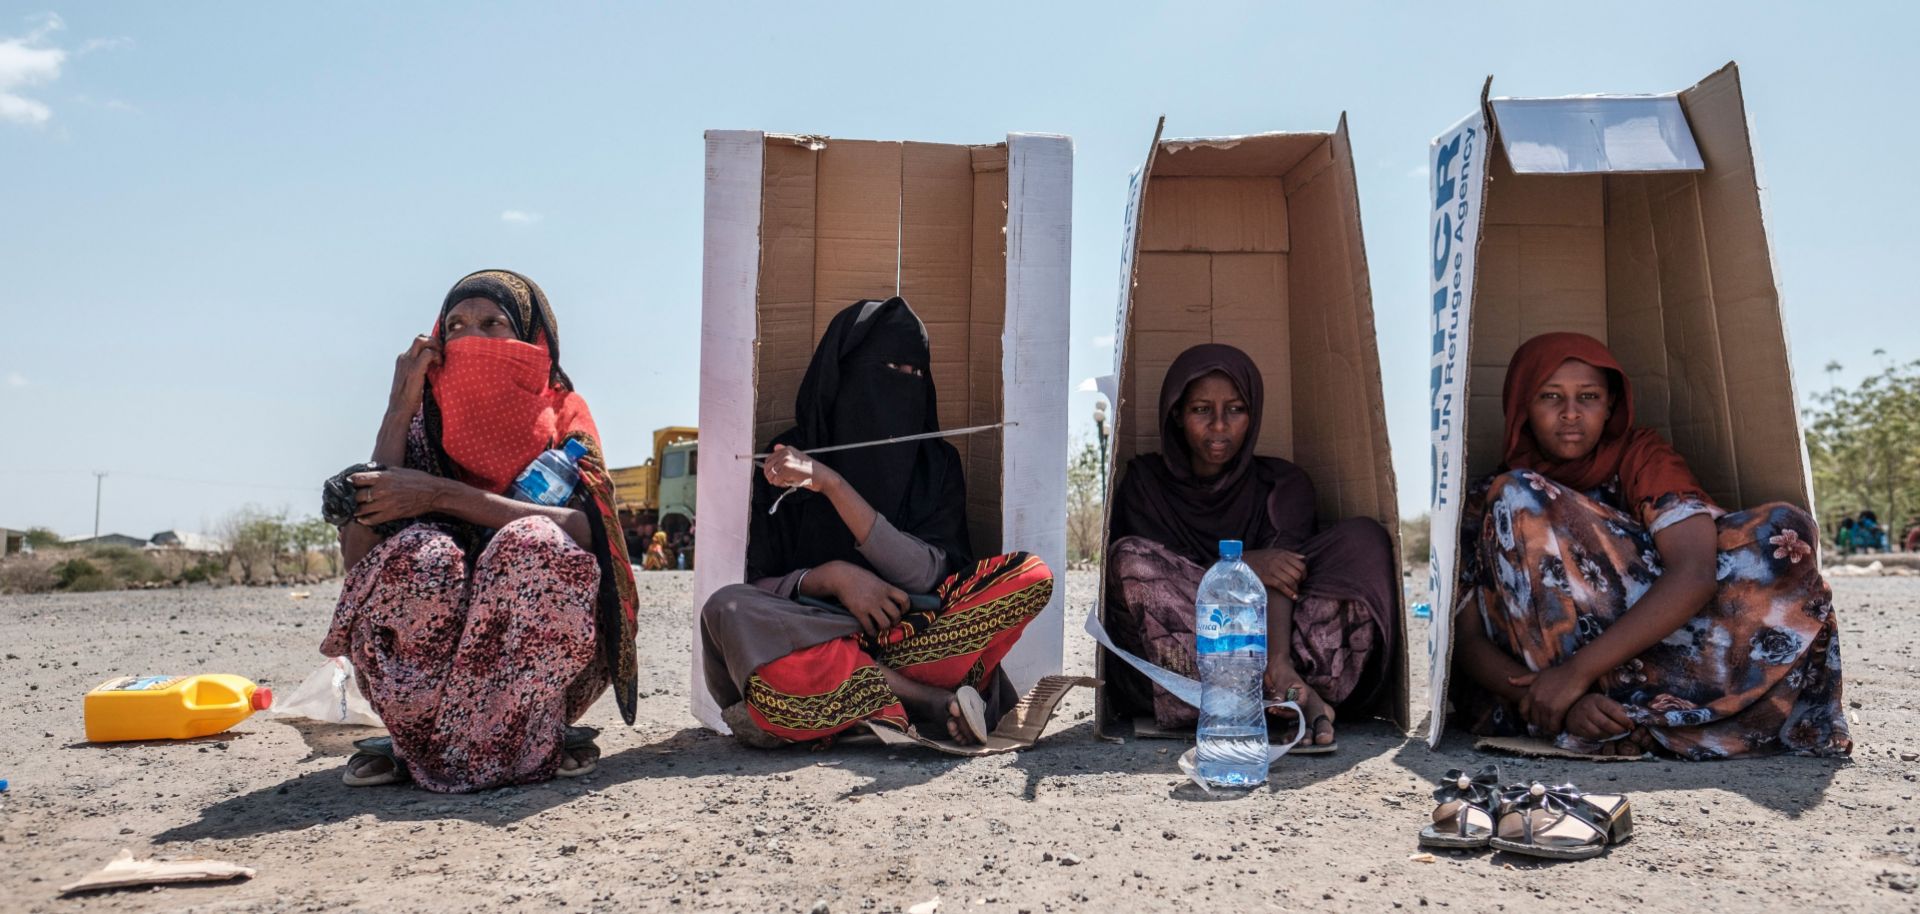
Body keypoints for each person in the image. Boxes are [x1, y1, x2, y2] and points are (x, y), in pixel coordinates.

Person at [1452, 332, 1849, 759]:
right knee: (1516, 494)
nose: (1570, 413)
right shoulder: (1489, 500)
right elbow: (1469, 641)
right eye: (1550, 397)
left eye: (1588, 397)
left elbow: (1695, 572)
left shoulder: (1640, 457)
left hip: (1659, 649)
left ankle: (1640, 715)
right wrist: (1563, 696)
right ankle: (1584, 715)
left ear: (1610, 408)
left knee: (1783, 532)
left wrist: (1578, 672)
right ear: (1522, 409)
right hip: (1545, 683)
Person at [322, 270, 638, 791]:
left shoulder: (564, 416)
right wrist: (399, 405)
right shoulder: (423, 420)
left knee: (532, 545)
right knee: (420, 556)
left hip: (544, 656)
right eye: (457, 325)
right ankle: (421, 742)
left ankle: (531, 732)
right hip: (430, 671)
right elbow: (363, 558)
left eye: (493, 323)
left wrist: (440, 496)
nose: (473, 337)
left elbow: (591, 533)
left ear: (533, 339)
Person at [699, 297, 1053, 747]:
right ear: (844, 375)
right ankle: (927, 702)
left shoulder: (936, 463)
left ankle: (863, 706)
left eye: (917, 375)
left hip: (918, 637)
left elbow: (931, 573)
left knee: (1029, 576)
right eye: (889, 368)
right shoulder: (786, 457)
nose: (904, 386)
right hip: (812, 635)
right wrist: (832, 578)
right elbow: (756, 587)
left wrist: (832, 485)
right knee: (726, 608)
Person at [1103, 344, 1396, 748]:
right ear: (1176, 414)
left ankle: (1284, 691)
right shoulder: (1145, 486)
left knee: (1364, 540)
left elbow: (1285, 579)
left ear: (1253, 413)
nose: (1219, 426)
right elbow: (1156, 592)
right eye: (1201, 410)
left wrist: (1276, 662)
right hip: (1189, 662)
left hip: (1278, 643)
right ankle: (1281, 702)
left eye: (1236, 410)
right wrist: (1239, 565)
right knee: (1132, 559)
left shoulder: (1283, 484)